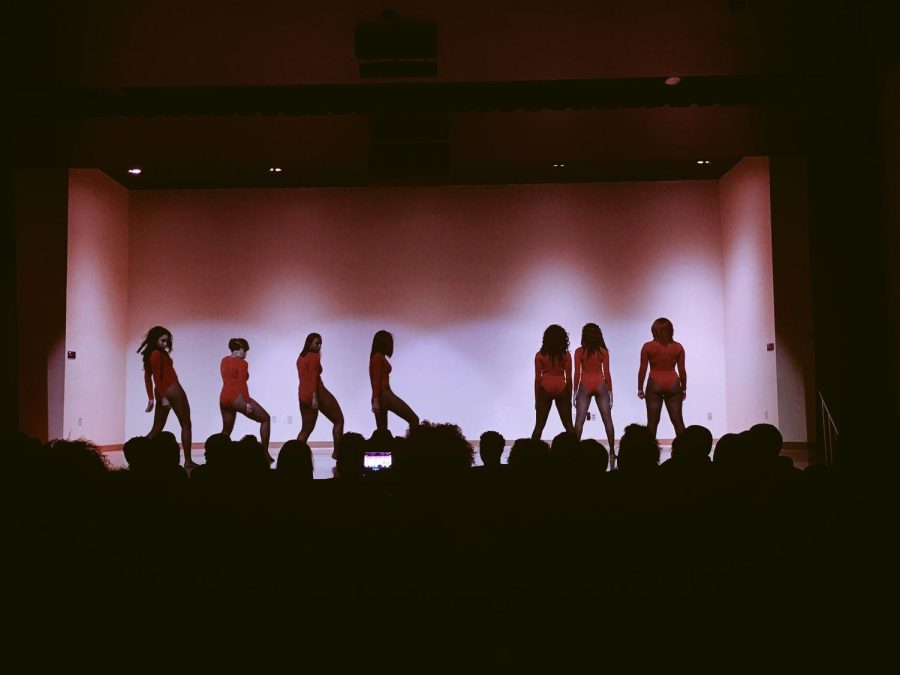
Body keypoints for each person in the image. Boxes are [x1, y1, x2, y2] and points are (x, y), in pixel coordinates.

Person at [138, 325, 196, 470]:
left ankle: (138, 455)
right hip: (172, 389)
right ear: (154, 339)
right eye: (163, 340)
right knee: (186, 424)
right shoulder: (157, 354)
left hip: (162, 391)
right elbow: (156, 377)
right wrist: (164, 397)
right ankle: (188, 461)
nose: (165, 344)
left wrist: (152, 398)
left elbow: (147, 377)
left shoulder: (151, 354)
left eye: (167, 341)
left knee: (157, 428)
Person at [220, 337, 273, 464]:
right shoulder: (242, 363)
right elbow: (242, 384)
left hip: (223, 397)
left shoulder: (224, 360)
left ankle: (217, 456)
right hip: (237, 397)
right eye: (245, 350)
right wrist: (247, 402)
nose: (246, 354)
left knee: (226, 431)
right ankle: (265, 453)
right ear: (237, 350)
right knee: (266, 419)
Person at [572, 322, 616, 465]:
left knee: (579, 420)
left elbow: (577, 374)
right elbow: (607, 373)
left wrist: (574, 392)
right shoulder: (603, 351)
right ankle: (612, 452)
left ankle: (574, 452)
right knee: (607, 419)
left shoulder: (579, 351)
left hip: (584, 384)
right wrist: (611, 393)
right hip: (600, 384)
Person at [296, 333, 345, 459]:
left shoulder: (300, 357)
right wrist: (314, 398)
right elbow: (313, 378)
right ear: (309, 343)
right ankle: (338, 453)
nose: (319, 346)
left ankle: (294, 456)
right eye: (317, 343)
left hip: (302, 395)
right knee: (339, 420)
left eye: (320, 343)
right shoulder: (314, 356)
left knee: (306, 430)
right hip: (317, 392)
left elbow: (307, 376)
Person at [638, 317, 687, 440]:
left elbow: (643, 369)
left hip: (655, 381)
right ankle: (687, 452)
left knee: (652, 422)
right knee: (678, 421)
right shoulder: (678, 347)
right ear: (671, 330)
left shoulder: (648, 347)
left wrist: (640, 388)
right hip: (673, 382)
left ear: (654, 330)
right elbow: (682, 370)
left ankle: (649, 453)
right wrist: (684, 388)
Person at [370, 330, 419, 435]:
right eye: (389, 342)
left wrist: (375, 399)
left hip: (381, 395)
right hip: (384, 395)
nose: (391, 345)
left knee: (382, 432)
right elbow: (376, 380)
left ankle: (386, 449)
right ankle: (413, 448)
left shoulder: (378, 357)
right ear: (383, 343)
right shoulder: (378, 357)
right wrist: (376, 400)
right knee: (414, 419)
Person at [531, 324, 574, 440]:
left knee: (539, 427)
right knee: (569, 427)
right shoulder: (566, 355)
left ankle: (530, 454)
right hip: (561, 386)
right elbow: (569, 378)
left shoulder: (539, 355)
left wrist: (537, 399)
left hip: (545, 387)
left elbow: (538, 379)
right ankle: (576, 454)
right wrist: (569, 396)